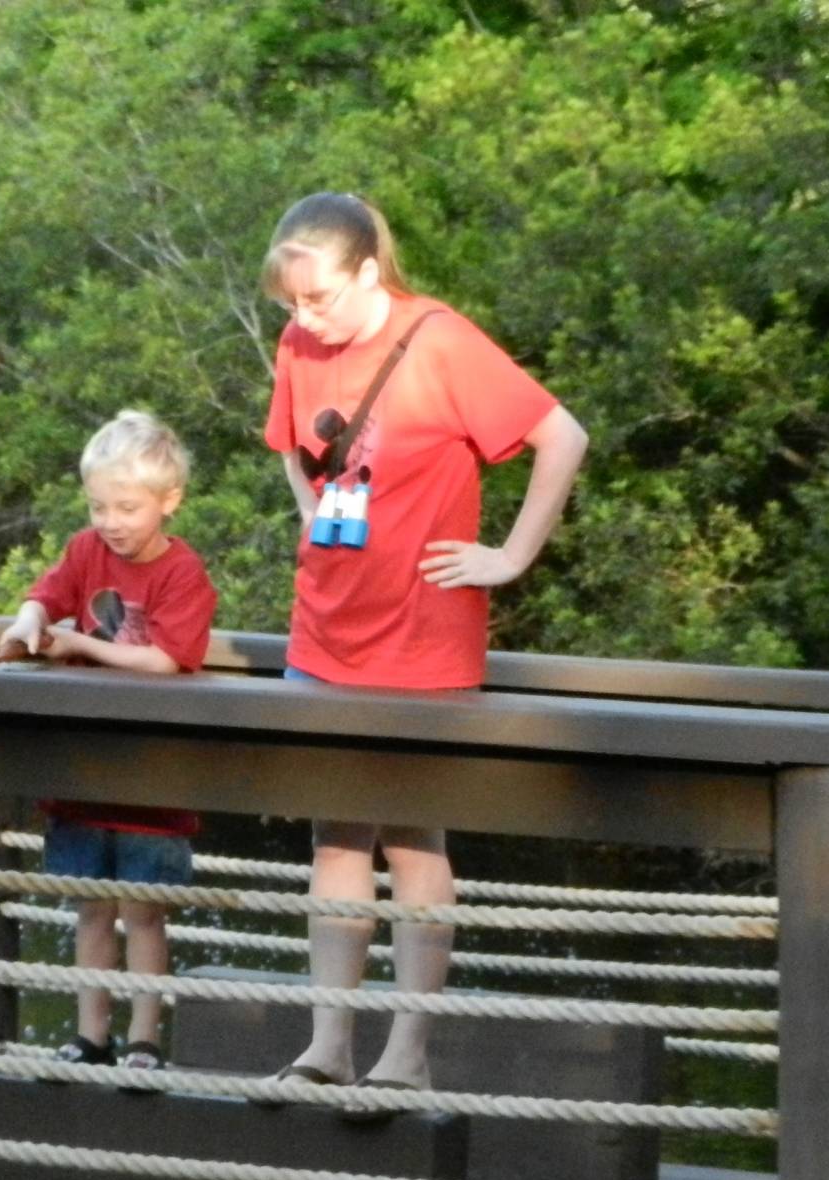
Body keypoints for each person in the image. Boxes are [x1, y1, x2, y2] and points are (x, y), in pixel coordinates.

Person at [260, 193, 588, 1102]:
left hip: (423, 630)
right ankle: (326, 1044)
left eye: (319, 298)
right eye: (290, 303)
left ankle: (407, 1052)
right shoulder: (298, 345)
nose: (304, 319)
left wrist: (509, 558)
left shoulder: (438, 339)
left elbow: (563, 434)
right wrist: (309, 515)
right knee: (335, 833)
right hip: (324, 625)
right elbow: (292, 442)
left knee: (411, 835)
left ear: (368, 272)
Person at [0, 411, 218, 1073]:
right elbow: (46, 596)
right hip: (85, 770)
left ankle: (145, 1037)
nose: (111, 521)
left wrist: (76, 641)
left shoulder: (183, 573)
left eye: (127, 507)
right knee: (91, 910)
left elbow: (166, 659)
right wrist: (29, 622)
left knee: (144, 915)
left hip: (152, 773)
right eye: (99, 506)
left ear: (167, 501)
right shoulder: (84, 551)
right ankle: (91, 1034)